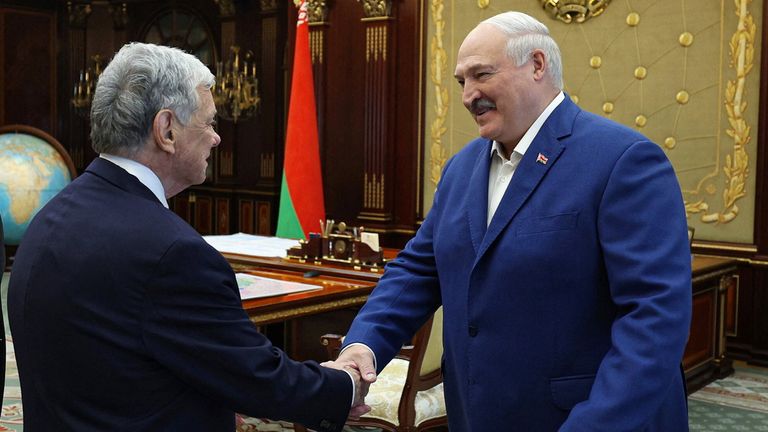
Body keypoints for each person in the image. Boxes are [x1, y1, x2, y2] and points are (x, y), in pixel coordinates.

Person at [334, 11, 692, 431]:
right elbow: (418, 270)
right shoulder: (461, 169)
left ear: (537, 65)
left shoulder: (623, 160)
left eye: (481, 75)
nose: (469, 95)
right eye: (461, 82)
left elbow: (654, 318)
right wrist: (363, 346)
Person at [8, 42, 367, 432]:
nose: (216, 138)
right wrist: (343, 385)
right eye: (209, 122)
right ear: (166, 130)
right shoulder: (172, 253)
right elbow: (256, 377)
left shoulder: (48, 218)